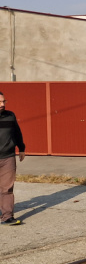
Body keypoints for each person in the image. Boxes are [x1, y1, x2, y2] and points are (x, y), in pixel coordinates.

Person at [0, 91, 25, 225]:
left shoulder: (10, 116)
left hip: (7, 157)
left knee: (7, 188)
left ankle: (7, 216)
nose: (2, 104)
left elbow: (17, 132)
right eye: (0, 102)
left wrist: (21, 148)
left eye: (4, 101)